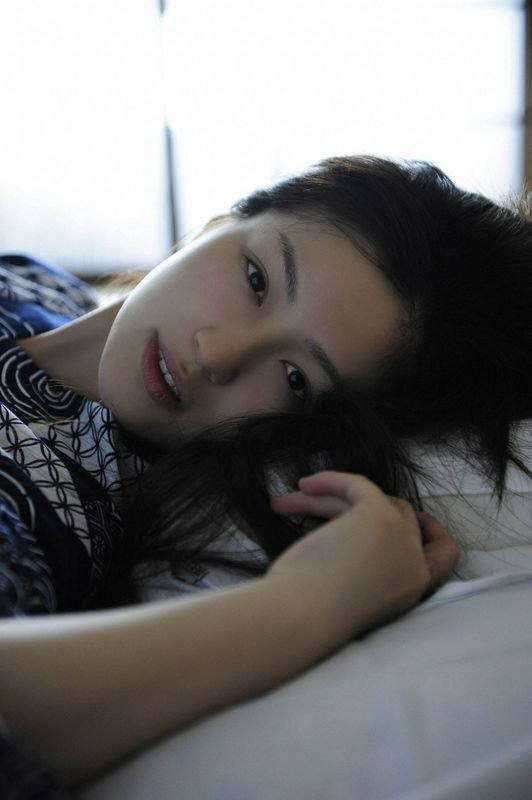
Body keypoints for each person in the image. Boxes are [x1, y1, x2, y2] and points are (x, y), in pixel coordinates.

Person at [0, 153, 529, 791]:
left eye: (295, 378)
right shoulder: (35, 284)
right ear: (221, 222)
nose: (217, 355)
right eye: (255, 279)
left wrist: (310, 602)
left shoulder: (53, 509)